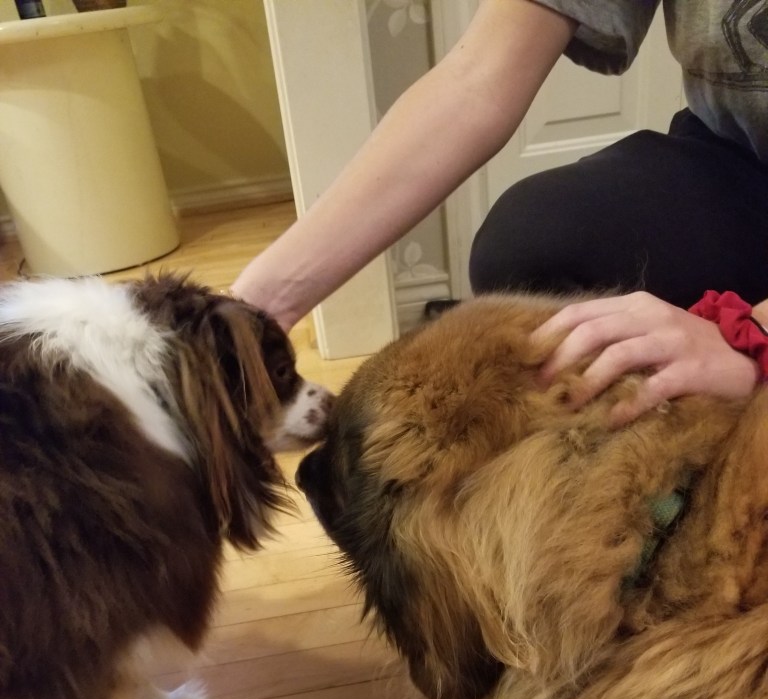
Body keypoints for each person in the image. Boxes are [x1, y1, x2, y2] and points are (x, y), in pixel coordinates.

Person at [231, 0, 768, 423]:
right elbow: (478, 78)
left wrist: (749, 335)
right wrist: (252, 308)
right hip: (740, 157)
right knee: (530, 251)